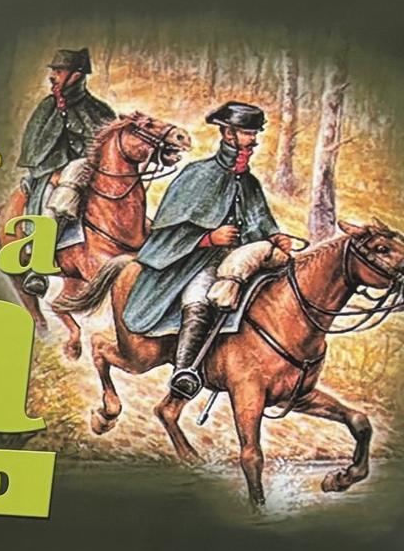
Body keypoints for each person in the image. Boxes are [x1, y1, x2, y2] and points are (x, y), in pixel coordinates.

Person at [122, 101, 294, 399]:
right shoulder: (197, 175)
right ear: (227, 134)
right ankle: (184, 372)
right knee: (200, 296)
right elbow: (168, 231)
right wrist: (209, 239)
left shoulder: (249, 181)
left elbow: (261, 219)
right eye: (246, 133)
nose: (253, 140)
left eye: (255, 134)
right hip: (198, 261)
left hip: (243, 260)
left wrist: (277, 236)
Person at [16, 47, 115, 296]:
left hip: (94, 175)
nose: (53, 76)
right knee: (63, 190)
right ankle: (39, 264)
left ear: (77, 75)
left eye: (59, 71)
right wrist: (52, 172)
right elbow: (34, 147)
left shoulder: (100, 110)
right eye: (54, 71)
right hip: (54, 176)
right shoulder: (47, 108)